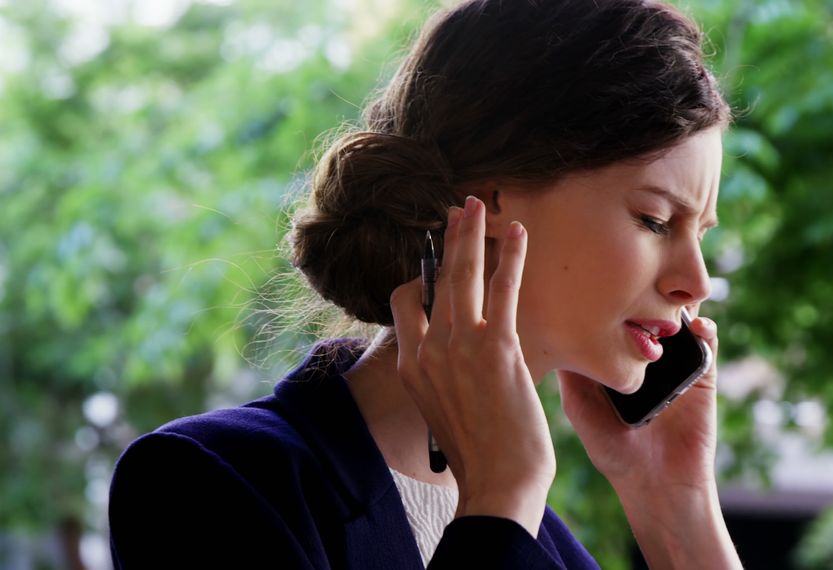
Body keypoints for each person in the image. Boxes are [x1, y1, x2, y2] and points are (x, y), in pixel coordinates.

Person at [108, 0, 743, 568]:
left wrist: (677, 509)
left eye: (703, 233)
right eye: (655, 220)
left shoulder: (548, 548)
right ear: (491, 199)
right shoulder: (208, 482)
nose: (697, 281)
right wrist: (498, 497)